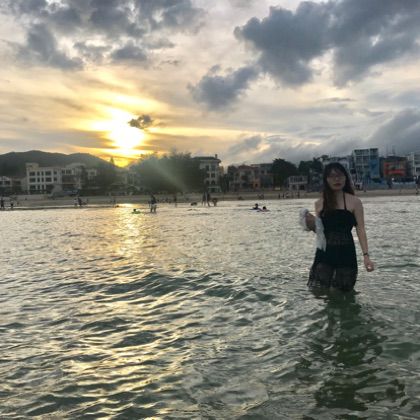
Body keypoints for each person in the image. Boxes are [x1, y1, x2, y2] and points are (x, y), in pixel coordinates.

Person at [305, 162, 374, 292]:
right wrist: (310, 224)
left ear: (345, 178)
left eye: (340, 175)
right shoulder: (319, 204)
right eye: (332, 176)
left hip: (346, 253)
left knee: (343, 294)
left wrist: (366, 256)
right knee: (320, 292)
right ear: (326, 180)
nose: (337, 179)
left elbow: (360, 229)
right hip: (324, 254)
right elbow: (320, 233)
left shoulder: (354, 202)